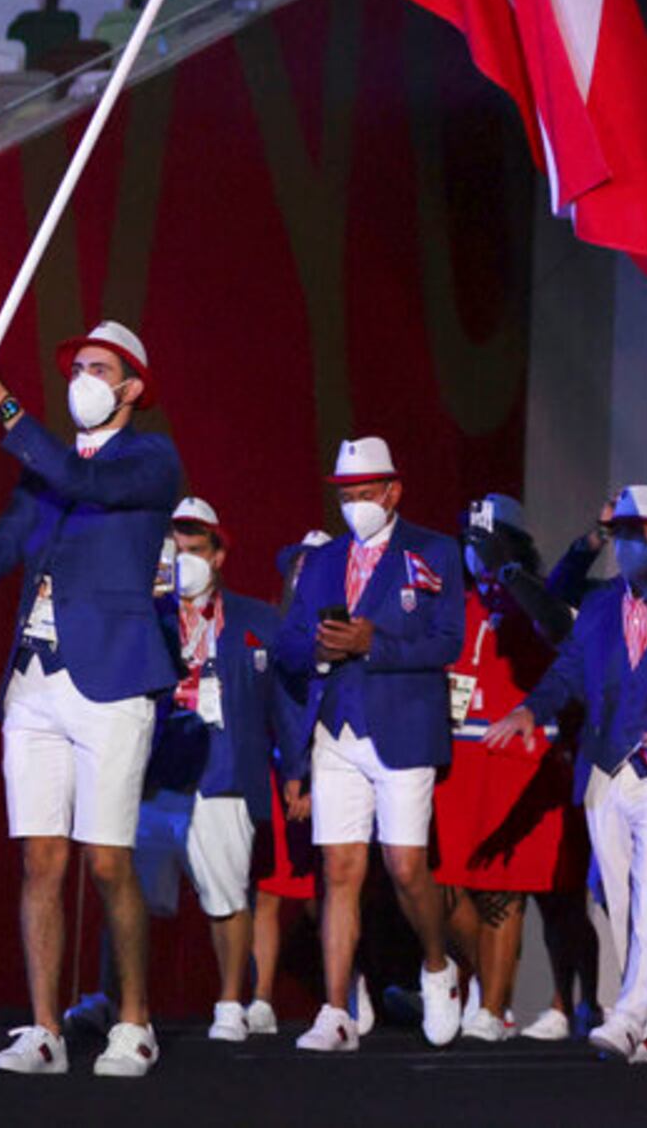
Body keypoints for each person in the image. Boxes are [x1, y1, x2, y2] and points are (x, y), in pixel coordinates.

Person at [0, 320, 183, 1078]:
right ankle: (44, 1029)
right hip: (35, 686)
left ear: (131, 387)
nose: (83, 378)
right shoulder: (45, 471)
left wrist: (3, 405)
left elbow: (88, 483)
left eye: (101, 368)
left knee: (107, 863)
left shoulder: (149, 459)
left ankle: (133, 1022)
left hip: (111, 682)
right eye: (78, 366)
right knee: (41, 859)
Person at [485, 485, 647, 1063]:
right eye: (620, 533)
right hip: (606, 770)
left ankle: (627, 1016)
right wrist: (532, 708)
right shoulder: (601, 605)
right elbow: (569, 671)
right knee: (616, 899)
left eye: (636, 534)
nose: (625, 545)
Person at [274, 437, 468, 1053]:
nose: (355, 504)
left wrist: (371, 644)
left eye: (365, 493)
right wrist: (319, 650)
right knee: (339, 869)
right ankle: (335, 1009)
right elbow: (287, 645)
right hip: (337, 727)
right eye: (346, 495)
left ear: (392, 491)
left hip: (403, 727)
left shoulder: (433, 551)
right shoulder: (324, 560)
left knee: (407, 867)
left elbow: (446, 643)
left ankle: (437, 968)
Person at [435, 493, 585, 1042]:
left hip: (519, 760)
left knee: (504, 890)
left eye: (489, 541)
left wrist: (511, 572)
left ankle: (493, 1008)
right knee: (442, 888)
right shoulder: (452, 601)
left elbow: (561, 631)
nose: (478, 553)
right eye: (471, 542)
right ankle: (475, 982)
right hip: (457, 761)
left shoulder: (541, 599)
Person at [143, 497, 293, 1041]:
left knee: (226, 893)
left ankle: (231, 1001)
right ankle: (116, 1002)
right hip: (153, 773)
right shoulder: (146, 615)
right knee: (129, 893)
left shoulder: (257, 619)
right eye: (176, 548)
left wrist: (296, 768)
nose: (186, 559)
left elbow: (287, 700)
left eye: (197, 549)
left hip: (223, 771)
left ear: (219, 553)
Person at [248, 535, 321, 1037]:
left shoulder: (343, 632)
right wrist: (287, 773)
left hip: (332, 770)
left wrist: (309, 778)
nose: (305, 572)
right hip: (277, 770)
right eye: (298, 564)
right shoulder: (274, 626)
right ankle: (260, 999)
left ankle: (349, 991)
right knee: (270, 891)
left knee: (331, 892)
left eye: (315, 565)